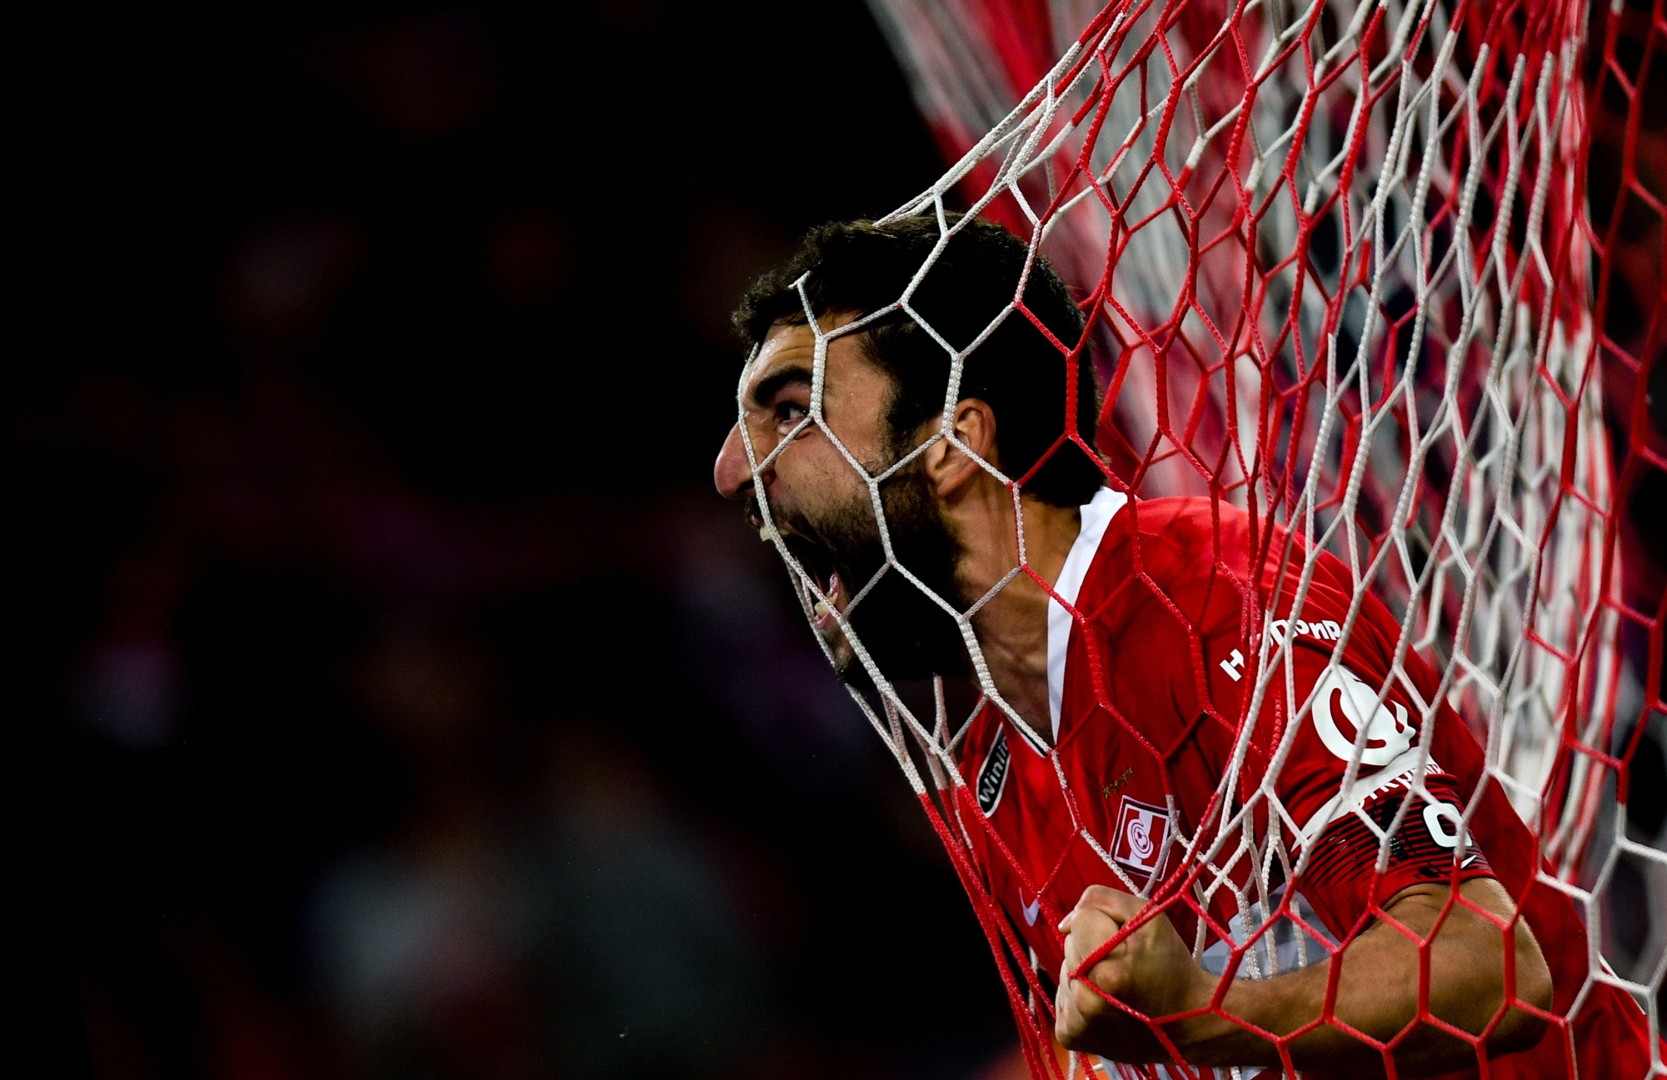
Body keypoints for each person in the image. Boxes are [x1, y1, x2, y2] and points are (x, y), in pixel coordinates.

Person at [711, 212, 1661, 1078]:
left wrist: (1204, 1012)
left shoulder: (1213, 606)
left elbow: (1484, 964)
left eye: (791, 408)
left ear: (952, 443)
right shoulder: (996, 753)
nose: (729, 472)